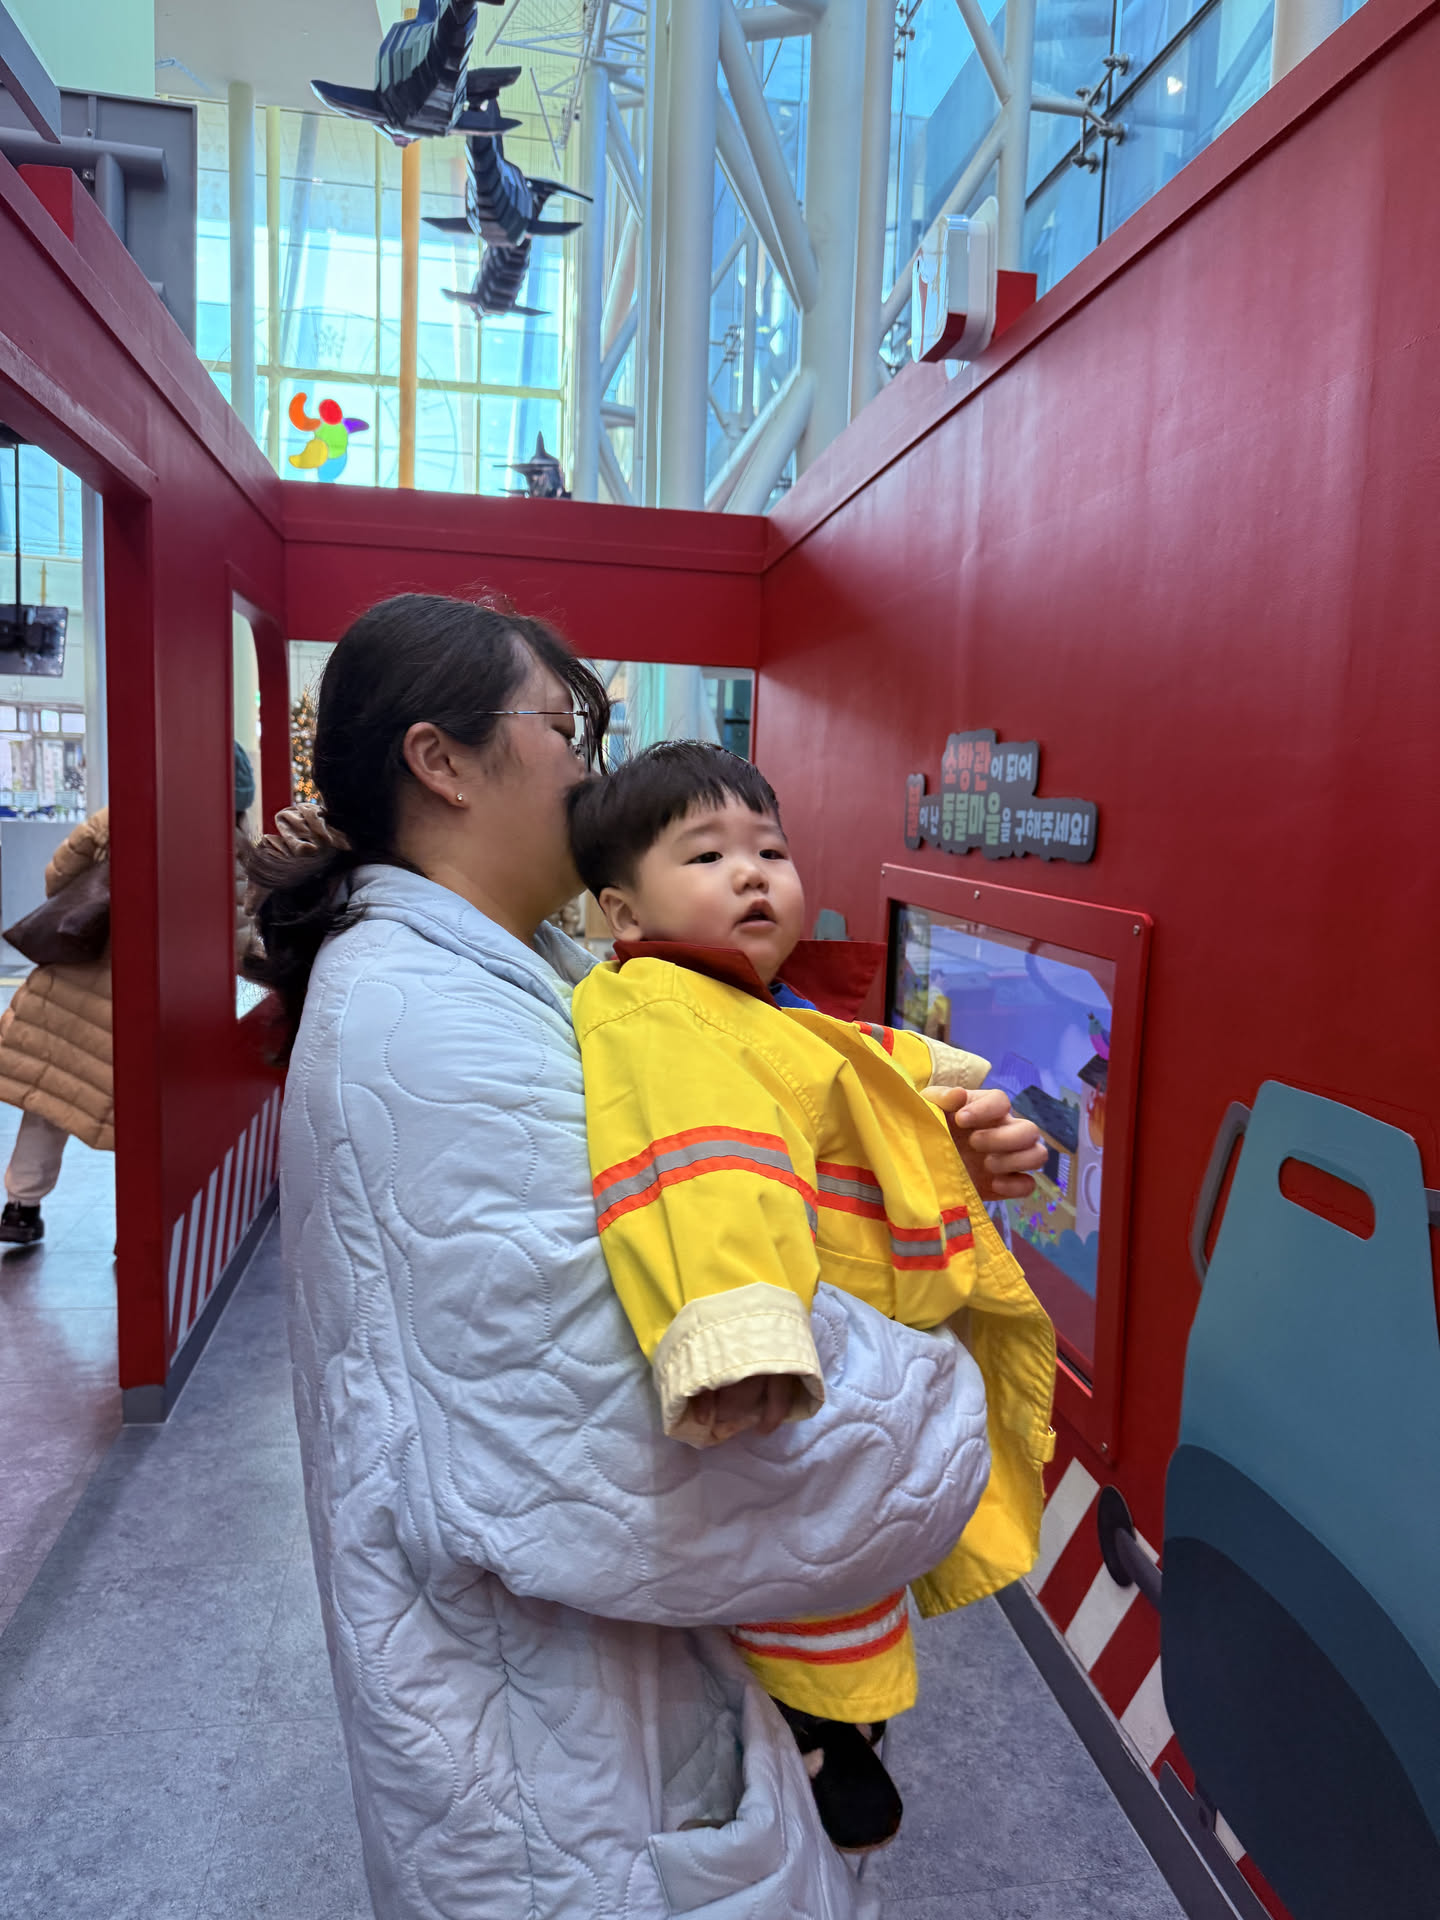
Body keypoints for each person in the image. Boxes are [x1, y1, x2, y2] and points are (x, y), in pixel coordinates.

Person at [245, 592, 1022, 1920]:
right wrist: (954, 1385)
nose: (588, 769)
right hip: (570, 1794)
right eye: (568, 728)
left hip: (590, 1732)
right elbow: (660, 1446)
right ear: (441, 762)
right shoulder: (435, 1038)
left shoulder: (521, 981)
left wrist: (908, 1160)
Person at [567, 742, 1056, 1851]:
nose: (752, 873)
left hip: (856, 1358)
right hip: (794, 1370)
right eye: (706, 855)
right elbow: (704, 1171)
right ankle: (816, 1734)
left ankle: (834, 1730)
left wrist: (965, 1150)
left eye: (770, 851)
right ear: (621, 913)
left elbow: (849, 1108)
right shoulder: (661, 1009)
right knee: (805, 1579)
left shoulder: (756, 1008)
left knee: (836, 1570)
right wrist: (740, 1333)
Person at [0, 808, 113, 1243]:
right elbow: (239, 943)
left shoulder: (109, 821)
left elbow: (57, 882)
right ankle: (140, 1228)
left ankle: (20, 1208)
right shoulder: (223, 844)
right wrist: (254, 1002)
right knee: (142, 1114)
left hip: (71, 977)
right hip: (150, 995)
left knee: (49, 1098)